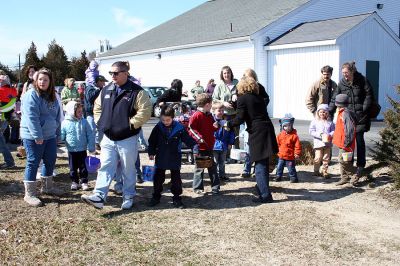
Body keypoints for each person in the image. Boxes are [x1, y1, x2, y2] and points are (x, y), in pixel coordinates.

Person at [81, 61, 152, 210]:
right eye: (111, 73)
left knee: (128, 169)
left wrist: (129, 125)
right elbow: (97, 108)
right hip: (108, 138)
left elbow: (145, 112)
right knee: (106, 166)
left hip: (127, 138)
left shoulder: (137, 92)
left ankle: (128, 196)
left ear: (126, 73)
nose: (112, 76)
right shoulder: (106, 89)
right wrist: (101, 123)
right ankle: (99, 196)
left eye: (116, 73)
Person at [225, 77, 278, 203]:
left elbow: (240, 119)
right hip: (267, 128)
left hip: (257, 132)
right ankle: (262, 190)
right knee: (263, 163)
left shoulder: (243, 98)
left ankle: (265, 195)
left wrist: (228, 124)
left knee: (259, 165)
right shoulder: (259, 97)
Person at [20, 68, 61, 207]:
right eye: (40, 79)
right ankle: (29, 194)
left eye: (46, 79)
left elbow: (57, 116)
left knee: (50, 160)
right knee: (33, 162)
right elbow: (32, 117)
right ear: (36, 81)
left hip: (50, 135)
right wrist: (37, 135)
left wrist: (57, 133)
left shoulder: (52, 96)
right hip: (33, 136)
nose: (42, 82)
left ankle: (47, 187)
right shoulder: (32, 95)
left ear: (50, 82)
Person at [147, 105, 198, 208]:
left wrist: (195, 147)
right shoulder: (158, 127)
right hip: (161, 156)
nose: (165, 122)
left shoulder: (179, 128)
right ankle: (156, 196)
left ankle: (177, 198)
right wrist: (151, 152)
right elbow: (152, 141)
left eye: (168, 120)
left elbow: (188, 139)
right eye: (163, 120)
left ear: (173, 117)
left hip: (174, 156)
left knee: (176, 180)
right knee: (158, 179)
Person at [329, 62, 373, 178]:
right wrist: (329, 112)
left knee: (359, 140)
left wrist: (364, 110)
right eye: (343, 73)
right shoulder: (342, 83)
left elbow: (369, 96)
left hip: (361, 116)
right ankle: (349, 168)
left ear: (352, 71)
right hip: (348, 117)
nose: (345, 75)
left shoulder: (363, 80)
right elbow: (334, 98)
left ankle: (360, 166)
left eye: (346, 73)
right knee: (348, 142)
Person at [188, 93, 220, 194]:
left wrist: (216, 127)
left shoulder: (209, 115)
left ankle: (215, 188)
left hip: (209, 146)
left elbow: (212, 127)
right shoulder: (196, 115)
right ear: (207, 104)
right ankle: (198, 188)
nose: (211, 106)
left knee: (212, 167)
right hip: (200, 147)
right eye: (211, 104)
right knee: (200, 168)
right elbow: (191, 129)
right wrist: (199, 138)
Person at [61, 101, 95, 191]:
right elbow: (62, 134)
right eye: (79, 112)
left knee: (83, 166)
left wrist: (91, 146)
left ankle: (84, 181)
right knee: (72, 167)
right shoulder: (65, 123)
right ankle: (74, 181)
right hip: (71, 149)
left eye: (81, 111)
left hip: (82, 149)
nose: (81, 113)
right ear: (72, 112)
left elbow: (90, 134)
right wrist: (61, 139)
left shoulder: (84, 122)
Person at [212, 66, 240, 151]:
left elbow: (242, 93)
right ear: (222, 74)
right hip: (224, 114)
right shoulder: (219, 85)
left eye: (228, 72)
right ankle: (225, 154)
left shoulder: (236, 82)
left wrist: (237, 95)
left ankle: (236, 155)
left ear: (231, 73)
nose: (226, 75)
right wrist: (223, 103)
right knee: (225, 134)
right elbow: (214, 99)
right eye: (224, 73)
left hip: (235, 113)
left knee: (236, 135)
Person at [332, 94, 357, 186]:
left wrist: (347, 142)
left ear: (338, 104)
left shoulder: (345, 113)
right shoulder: (341, 112)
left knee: (344, 160)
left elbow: (350, 129)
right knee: (342, 160)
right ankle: (344, 178)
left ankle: (357, 173)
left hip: (346, 143)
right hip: (342, 142)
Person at [309, 104, 335, 178]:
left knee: (326, 158)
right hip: (318, 143)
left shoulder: (330, 122)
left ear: (327, 113)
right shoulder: (314, 121)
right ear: (318, 113)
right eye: (321, 112)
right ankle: (316, 170)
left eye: (324, 112)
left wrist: (330, 135)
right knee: (318, 157)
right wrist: (320, 135)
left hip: (327, 143)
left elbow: (334, 130)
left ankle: (324, 171)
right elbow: (311, 131)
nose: (322, 114)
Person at [275, 114, 301, 183]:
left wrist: (297, 153)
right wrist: (277, 151)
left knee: (291, 168)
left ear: (291, 126)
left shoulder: (294, 136)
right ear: (283, 127)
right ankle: (278, 176)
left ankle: (293, 177)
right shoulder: (280, 135)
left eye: (289, 125)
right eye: (285, 126)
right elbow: (277, 144)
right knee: (279, 167)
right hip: (281, 156)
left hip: (290, 157)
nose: (287, 127)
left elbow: (297, 146)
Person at [212, 102, 234, 182]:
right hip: (214, 145)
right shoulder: (211, 121)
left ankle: (222, 175)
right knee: (215, 162)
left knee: (222, 162)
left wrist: (230, 143)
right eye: (219, 110)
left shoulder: (226, 121)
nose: (221, 112)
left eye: (222, 110)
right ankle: (215, 177)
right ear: (214, 111)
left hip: (224, 145)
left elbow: (231, 132)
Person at [84, 75, 107, 151]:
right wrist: (98, 90)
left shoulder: (101, 89)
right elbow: (90, 98)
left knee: (100, 130)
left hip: (99, 113)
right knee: (91, 131)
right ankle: (90, 149)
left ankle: (98, 144)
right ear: (98, 82)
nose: (104, 84)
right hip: (90, 113)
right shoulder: (89, 88)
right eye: (103, 82)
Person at [0, 74, 16, 169]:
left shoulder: (2, 90)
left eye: (1, 79)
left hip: (2, 117)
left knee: (1, 141)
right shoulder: (13, 91)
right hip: (6, 118)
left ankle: (9, 162)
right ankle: (9, 161)